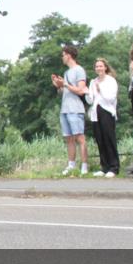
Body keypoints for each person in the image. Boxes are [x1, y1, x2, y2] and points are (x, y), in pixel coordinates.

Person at [50, 45, 89, 176]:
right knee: (69, 139)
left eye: (63, 55)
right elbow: (65, 92)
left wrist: (65, 84)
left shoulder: (79, 70)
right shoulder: (66, 73)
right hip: (64, 109)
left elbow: (81, 90)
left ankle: (84, 166)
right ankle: (71, 165)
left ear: (69, 55)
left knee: (80, 138)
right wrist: (58, 86)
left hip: (75, 109)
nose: (62, 57)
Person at [87, 59, 120, 177]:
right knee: (100, 139)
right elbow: (90, 100)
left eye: (101, 66)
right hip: (96, 113)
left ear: (105, 67)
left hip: (107, 111)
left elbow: (111, 98)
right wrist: (87, 93)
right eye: (96, 66)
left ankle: (114, 167)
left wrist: (100, 90)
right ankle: (104, 166)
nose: (99, 68)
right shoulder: (93, 81)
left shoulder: (111, 81)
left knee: (109, 139)